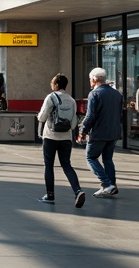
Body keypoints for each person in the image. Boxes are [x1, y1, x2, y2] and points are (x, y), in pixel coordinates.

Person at [37, 74, 86, 208]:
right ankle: (78, 191)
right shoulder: (71, 100)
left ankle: (50, 195)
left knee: (49, 165)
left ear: (56, 85)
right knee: (67, 165)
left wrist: (40, 118)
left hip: (50, 136)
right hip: (66, 138)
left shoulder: (51, 97)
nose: (51, 85)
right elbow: (74, 121)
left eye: (52, 83)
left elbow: (42, 117)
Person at [79, 67, 124, 197]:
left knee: (91, 157)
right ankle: (111, 186)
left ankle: (106, 184)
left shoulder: (94, 94)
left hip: (99, 132)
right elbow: (119, 114)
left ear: (94, 79)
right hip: (113, 132)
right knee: (107, 159)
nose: (90, 82)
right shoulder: (117, 94)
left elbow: (90, 116)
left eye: (90, 79)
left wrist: (83, 131)